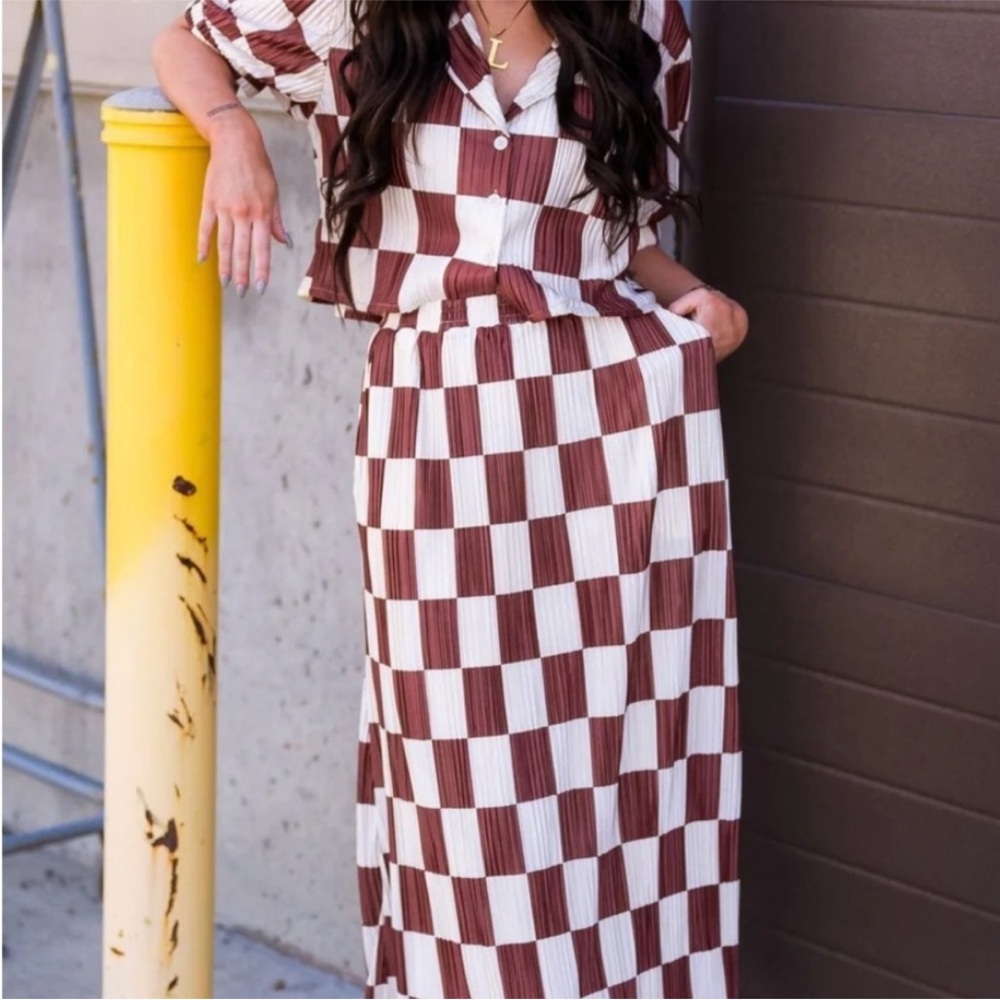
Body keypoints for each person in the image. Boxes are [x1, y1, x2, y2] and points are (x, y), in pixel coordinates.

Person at [153, 2, 747, 997]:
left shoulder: (645, 22)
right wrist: (230, 133)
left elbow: (621, 233)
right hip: (440, 428)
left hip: (613, 421)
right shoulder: (349, 15)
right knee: (463, 781)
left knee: (622, 753)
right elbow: (185, 40)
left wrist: (702, 302)